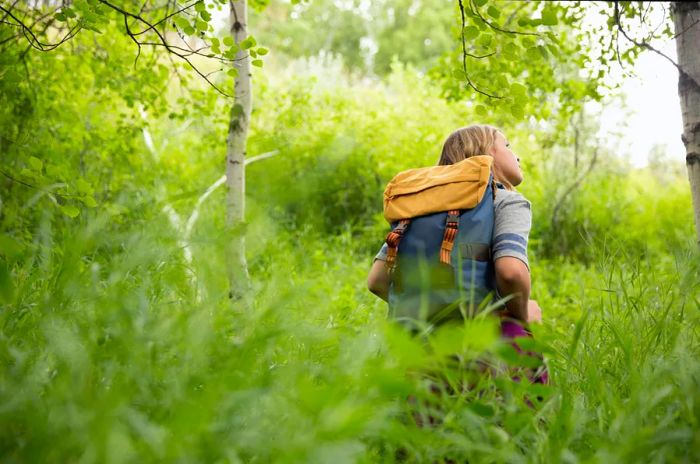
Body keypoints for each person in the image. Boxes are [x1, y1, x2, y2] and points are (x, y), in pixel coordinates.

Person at [367, 124, 546, 383]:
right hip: (482, 349)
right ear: (488, 154)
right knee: (510, 419)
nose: (516, 155)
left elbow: (377, 281)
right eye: (508, 145)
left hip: (419, 349)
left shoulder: (420, 209)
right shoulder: (507, 201)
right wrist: (520, 319)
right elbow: (512, 272)